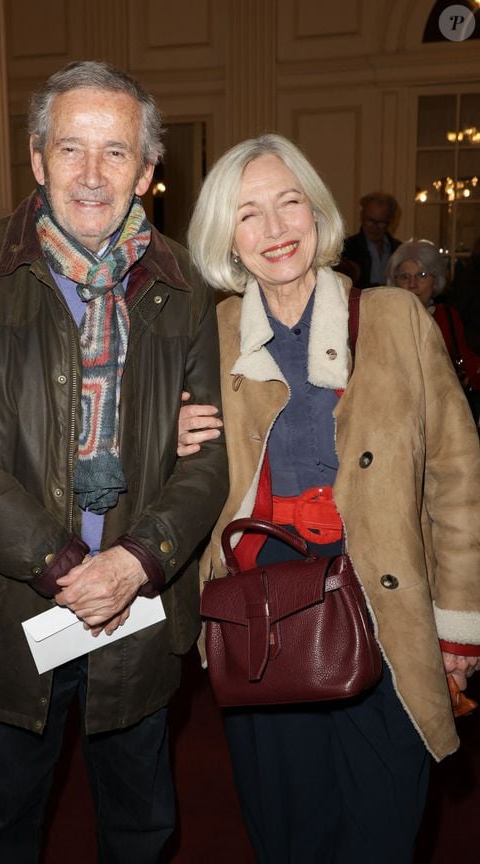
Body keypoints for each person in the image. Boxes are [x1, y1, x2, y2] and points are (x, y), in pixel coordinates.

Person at [0, 61, 227, 864]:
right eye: (70, 148)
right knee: (2, 831)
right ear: (37, 159)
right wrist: (63, 564)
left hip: (139, 617)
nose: (90, 175)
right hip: (10, 612)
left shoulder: (185, 289)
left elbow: (210, 458)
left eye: (116, 152)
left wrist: (136, 561)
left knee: (141, 829)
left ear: (148, 171)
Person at [179, 133, 480, 863]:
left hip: (386, 614)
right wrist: (172, 438)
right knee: (288, 834)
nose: (275, 229)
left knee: (384, 831)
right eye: (249, 214)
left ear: (317, 213)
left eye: (290, 204)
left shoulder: (397, 319)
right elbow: (172, 477)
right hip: (265, 625)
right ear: (227, 235)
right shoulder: (206, 337)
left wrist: (458, 628)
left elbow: (457, 479)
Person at [386, 239, 480, 425]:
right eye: (404, 277)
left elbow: (467, 361)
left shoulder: (448, 316)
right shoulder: (385, 319)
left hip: (442, 415)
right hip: (397, 415)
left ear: (435, 280)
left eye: (421, 275)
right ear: (394, 282)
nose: (412, 284)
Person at [341, 191, 401, 288]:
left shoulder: (399, 249)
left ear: (390, 221)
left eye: (381, 222)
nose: (374, 227)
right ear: (362, 217)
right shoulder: (347, 248)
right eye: (370, 221)